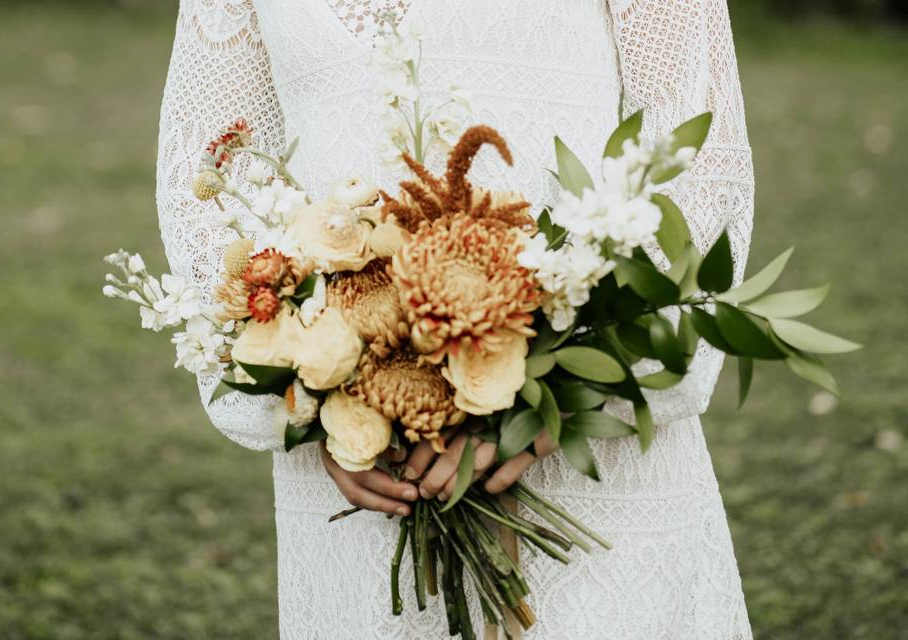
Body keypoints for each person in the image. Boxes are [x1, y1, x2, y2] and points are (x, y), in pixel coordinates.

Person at [156, 1, 754, 637]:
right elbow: (206, 176)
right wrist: (312, 396)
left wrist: (559, 394)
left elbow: (697, 156)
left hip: (579, 448)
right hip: (365, 472)